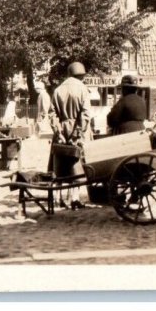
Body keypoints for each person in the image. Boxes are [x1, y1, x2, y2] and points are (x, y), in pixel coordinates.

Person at [49, 62, 92, 210]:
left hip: (61, 130)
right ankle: (74, 199)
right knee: (76, 165)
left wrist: (59, 132)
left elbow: (52, 114)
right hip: (76, 130)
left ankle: (57, 198)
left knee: (58, 165)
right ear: (82, 75)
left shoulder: (58, 90)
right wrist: (77, 133)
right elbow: (85, 115)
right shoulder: (82, 89)